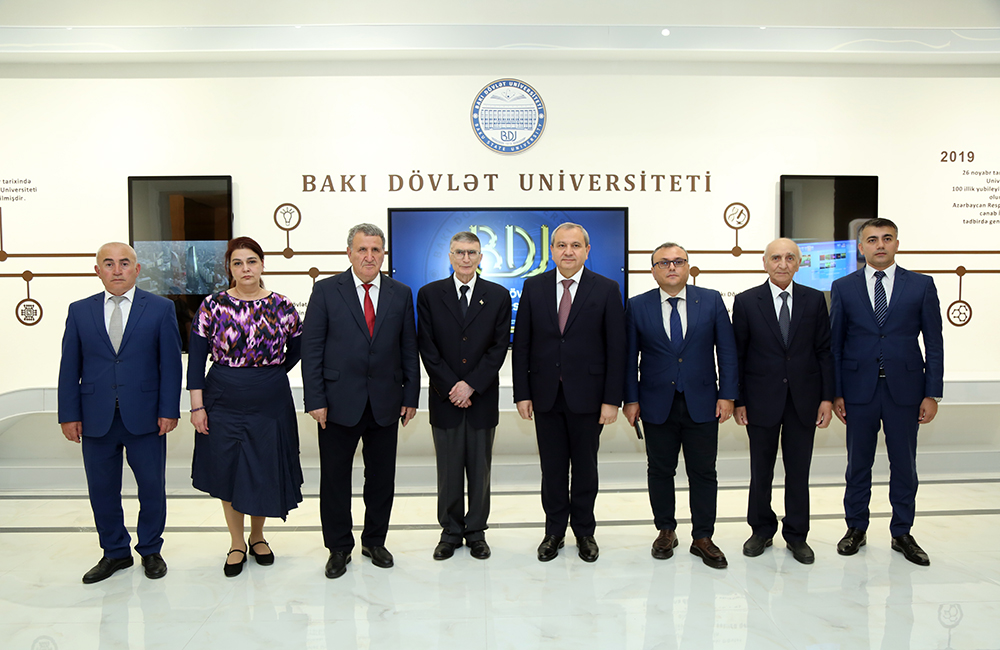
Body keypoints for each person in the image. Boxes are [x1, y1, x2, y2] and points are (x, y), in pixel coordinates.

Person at [301, 223, 420, 579]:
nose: (369, 256)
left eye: (375, 250)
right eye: (362, 249)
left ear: (384, 254)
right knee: (335, 479)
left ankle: (374, 541)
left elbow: (408, 347)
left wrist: (410, 395)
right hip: (337, 402)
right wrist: (315, 398)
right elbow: (312, 348)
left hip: (386, 400)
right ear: (349, 253)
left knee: (381, 478)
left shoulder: (400, 293)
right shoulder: (325, 290)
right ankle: (339, 547)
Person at [58, 242, 182, 583]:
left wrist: (169, 409)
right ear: (97, 270)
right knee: (102, 490)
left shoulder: (160, 309)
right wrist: (68, 414)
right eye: (109, 263)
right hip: (94, 417)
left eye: (124, 263)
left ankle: (151, 549)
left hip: (146, 416)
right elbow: (69, 367)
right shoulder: (79, 311)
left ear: (137, 269)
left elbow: (171, 365)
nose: (117, 270)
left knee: (151, 487)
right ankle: (114, 552)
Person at [187, 236, 304, 577]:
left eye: (251, 261)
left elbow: (298, 350)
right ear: (229, 268)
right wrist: (197, 407)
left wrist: (269, 374)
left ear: (262, 264)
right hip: (222, 398)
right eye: (237, 263)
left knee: (263, 468)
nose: (245, 268)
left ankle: (258, 536)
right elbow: (196, 361)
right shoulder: (212, 306)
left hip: (270, 399)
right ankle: (236, 542)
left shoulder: (282, 306)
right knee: (229, 470)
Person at [831, 218, 943, 566]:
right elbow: (835, 344)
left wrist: (932, 393)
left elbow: (934, 342)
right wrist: (836, 392)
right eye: (872, 239)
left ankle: (902, 532)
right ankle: (856, 528)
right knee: (857, 464)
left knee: (905, 465)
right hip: (858, 390)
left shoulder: (921, 285)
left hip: (906, 391)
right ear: (860, 247)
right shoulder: (843, 287)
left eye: (887, 238)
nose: (880, 245)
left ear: (897, 244)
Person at [512, 222, 626, 563]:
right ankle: (554, 532)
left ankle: (585, 532)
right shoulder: (533, 287)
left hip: (589, 397)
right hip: (545, 395)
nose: (568, 251)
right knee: (553, 469)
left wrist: (611, 399)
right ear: (551, 251)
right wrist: (522, 393)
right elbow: (522, 345)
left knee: (586, 469)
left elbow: (616, 348)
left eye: (575, 245)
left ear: (587, 251)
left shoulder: (606, 288)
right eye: (561, 245)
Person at [623, 242, 737, 569]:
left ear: (687, 267)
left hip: (703, 402)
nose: (671, 267)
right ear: (653, 270)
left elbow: (727, 351)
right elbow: (628, 358)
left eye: (678, 261)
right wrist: (631, 399)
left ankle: (703, 536)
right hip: (656, 403)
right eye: (664, 262)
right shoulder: (637, 306)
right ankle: (666, 530)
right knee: (660, 470)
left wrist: (728, 395)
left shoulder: (711, 300)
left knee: (704, 472)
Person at [732, 238, 834, 565]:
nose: (782, 264)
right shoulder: (747, 301)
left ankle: (797, 534)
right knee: (761, 471)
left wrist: (826, 398)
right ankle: (761, 529)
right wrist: (739, 400)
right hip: (760, 400)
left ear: (799, 263)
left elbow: (824, 351)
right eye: (776, 257)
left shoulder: (814, 300)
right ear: (764, 263)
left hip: (804, 400)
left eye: (790, 258)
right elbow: (738, 355)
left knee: (798, 472)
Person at [417, 231, 512, 561]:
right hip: (445, 398)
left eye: (472, 252)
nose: (466, 258)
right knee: (448, 470)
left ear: (481, 257)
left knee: (480, 471)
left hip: (481, 398)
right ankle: (450, 532)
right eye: (459, 252)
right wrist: (453, 386)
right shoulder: (430, 295)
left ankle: (476, 532)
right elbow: (427, 346)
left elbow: (499, 347)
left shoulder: (498, 296)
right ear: (450, 256)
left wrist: (470, 384)